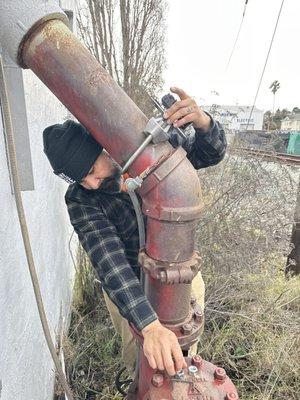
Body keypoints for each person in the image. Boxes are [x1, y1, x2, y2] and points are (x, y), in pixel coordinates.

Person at [43, 87, 227, 378]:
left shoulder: (148, 152)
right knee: (141, 370)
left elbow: (210, 154)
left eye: (92, 169)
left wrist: (203, 123)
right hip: (131, 291)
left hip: (180, 278)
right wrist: (149, 326)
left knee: (184, 359)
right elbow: (110, 263)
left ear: (103, 145)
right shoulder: (81, 199)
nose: (91, 183)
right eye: (81, 179)